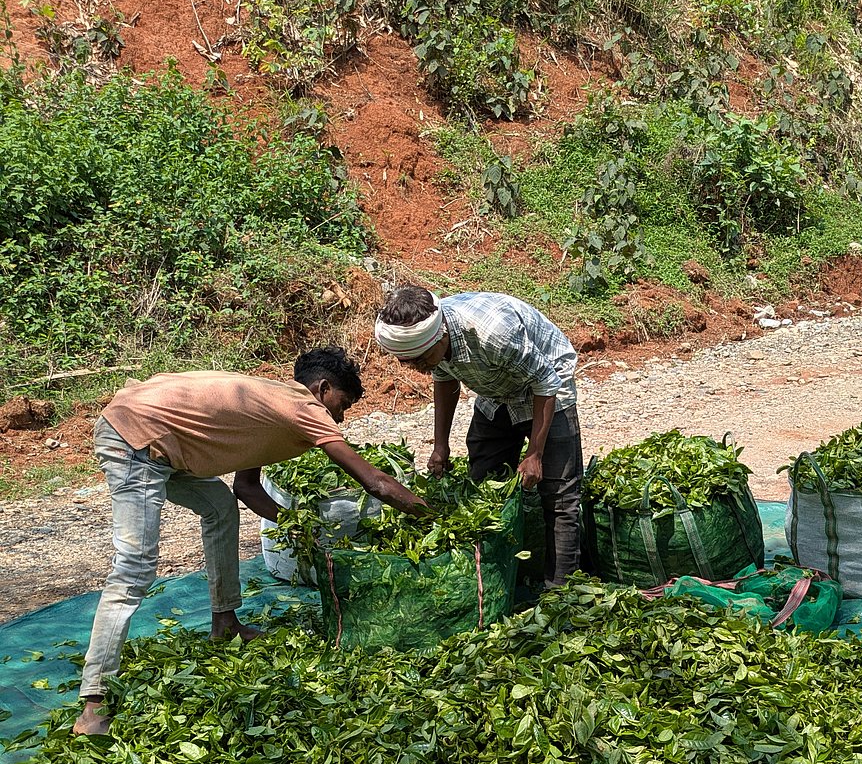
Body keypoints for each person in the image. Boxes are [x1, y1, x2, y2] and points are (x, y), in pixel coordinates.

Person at [74, 347, 427, 737]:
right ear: (322, 389)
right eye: (340, 405)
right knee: (134, 568)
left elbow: (245, 487)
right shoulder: (301, 409)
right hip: (136, 437)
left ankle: (224, 623)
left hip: (157, 435)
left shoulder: (270, 406)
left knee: (219, 506)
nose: (340, 418)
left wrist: (295, 526)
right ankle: (94, 702)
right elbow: (373, 481)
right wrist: (431, 515)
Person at [373, 286, 584, 588]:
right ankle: (500, 579)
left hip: (546, 385)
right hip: (494, 388)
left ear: (440, 336)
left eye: (420, 359)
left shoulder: (494, 333)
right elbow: (444, 379)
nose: (417, 367)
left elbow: (546, 381)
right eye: (408, 363)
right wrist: (440, 446)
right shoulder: (433, 340)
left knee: (560, 495)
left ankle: (561, 593)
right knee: (485, 485)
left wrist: (535, 454)